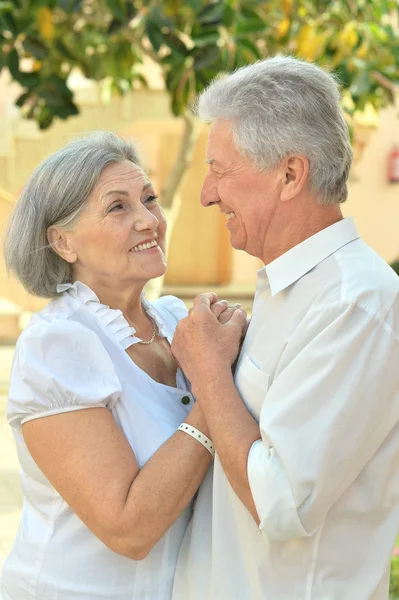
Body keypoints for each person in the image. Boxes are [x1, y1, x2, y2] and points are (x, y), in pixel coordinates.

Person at [171, 56, 399, 600]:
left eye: (220, 170)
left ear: (290, 174)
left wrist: (208, 372)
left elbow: (280, 501)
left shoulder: (356, 304)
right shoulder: (289, 288)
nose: (206, 194)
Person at [0, 131, 247, 600]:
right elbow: (128, 530)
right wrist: (213, 384)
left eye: (149, 199)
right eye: (118, 207)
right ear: (63, 242)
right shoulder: (58, 344)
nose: (148, 220)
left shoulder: (178, 320)